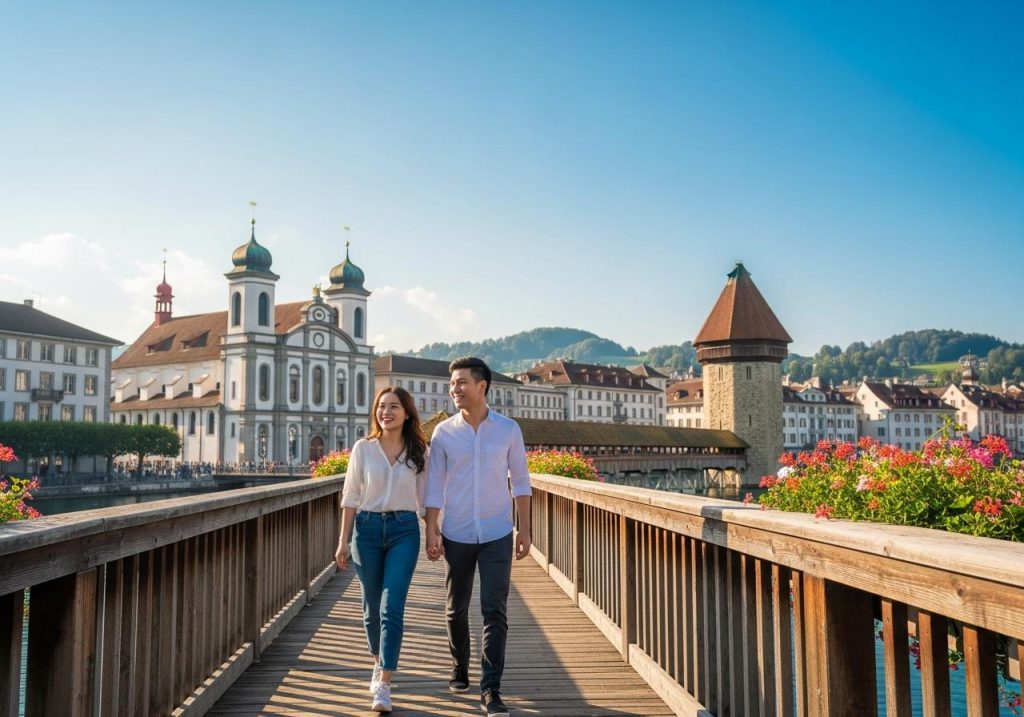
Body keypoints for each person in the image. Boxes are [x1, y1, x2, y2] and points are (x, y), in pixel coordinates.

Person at [425, 357, 532, 717]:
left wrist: (525, 530)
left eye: (461, 383)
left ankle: (491, 688)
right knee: (455, 609)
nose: (454, 389)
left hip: (497, 532)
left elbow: (520, 482)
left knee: (494, 611)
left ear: (482, 386)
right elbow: (435, 484)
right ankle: (459, 665)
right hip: (455, 532)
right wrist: (432, 528)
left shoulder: (508, 430)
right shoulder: (443, 433)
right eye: (452, 384)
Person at [335, 386, 427, 713]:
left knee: (392, 605)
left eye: (393, 407)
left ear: (406, 413)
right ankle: (378, 661)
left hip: (404, 530)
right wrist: (342, 541)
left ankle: (385, 682)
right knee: (371, 609)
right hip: (367, 530)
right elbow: (349, 497)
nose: (386, 412)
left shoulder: (419, 451)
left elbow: (426, 501)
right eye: (381, 406)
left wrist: (434, 535)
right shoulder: (364, 448)